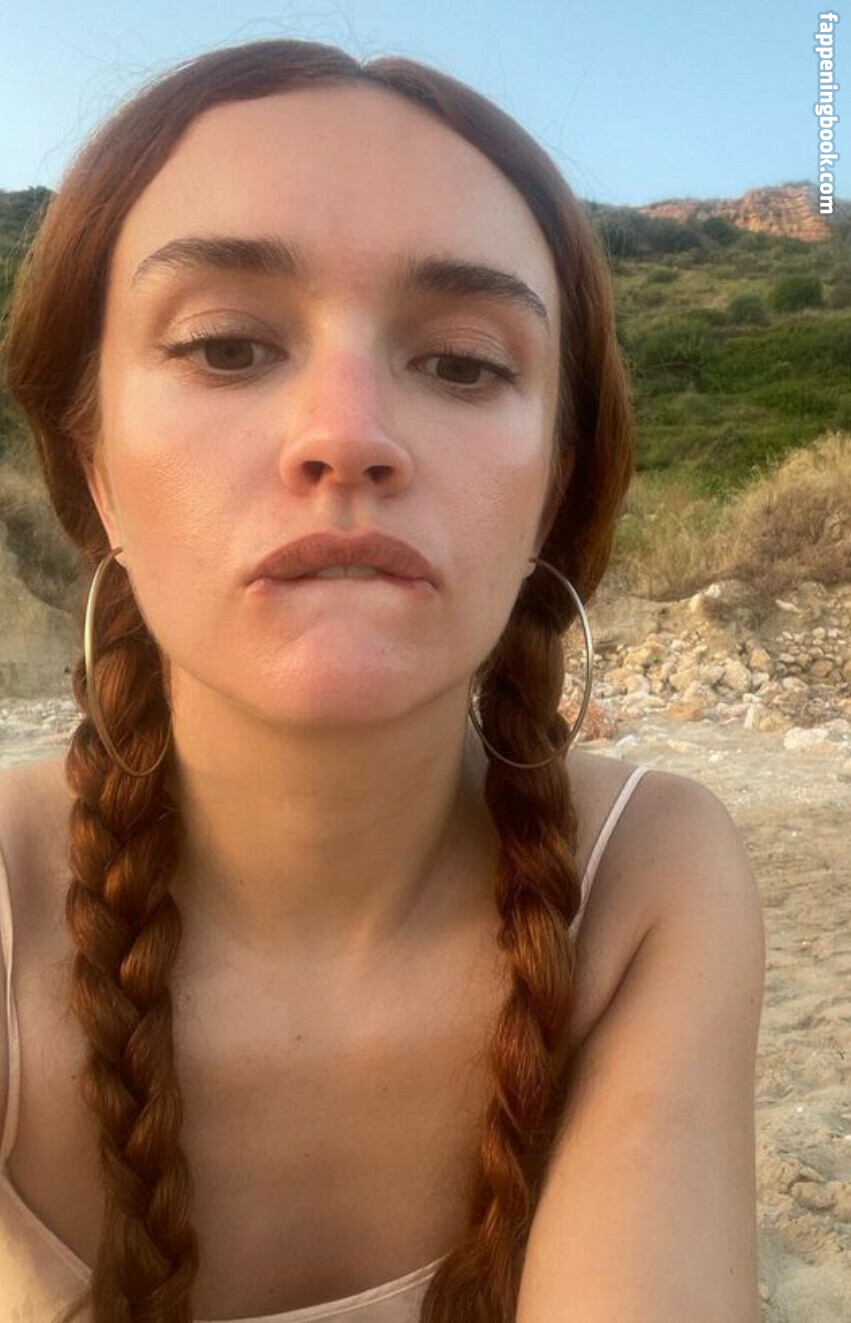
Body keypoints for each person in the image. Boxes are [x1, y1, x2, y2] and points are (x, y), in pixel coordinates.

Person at [0, 37, 765, 1323]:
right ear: (94, 467)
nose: (346, 435)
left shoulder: (644, 878)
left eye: (462, 362)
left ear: (555, 484)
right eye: (226, 347)